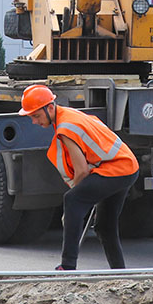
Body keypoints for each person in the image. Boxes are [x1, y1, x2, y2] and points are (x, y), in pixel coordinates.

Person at [18, 84, 139, 271]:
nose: (34, 121)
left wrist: (76, 206)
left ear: (50, 107)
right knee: (105, 226)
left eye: (36, 115)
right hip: (126, 166)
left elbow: (81, 170)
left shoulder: (65, 128)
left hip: (117, 169)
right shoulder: (68, 114)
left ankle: (68, 266)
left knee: (72, 199)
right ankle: (120, 273)